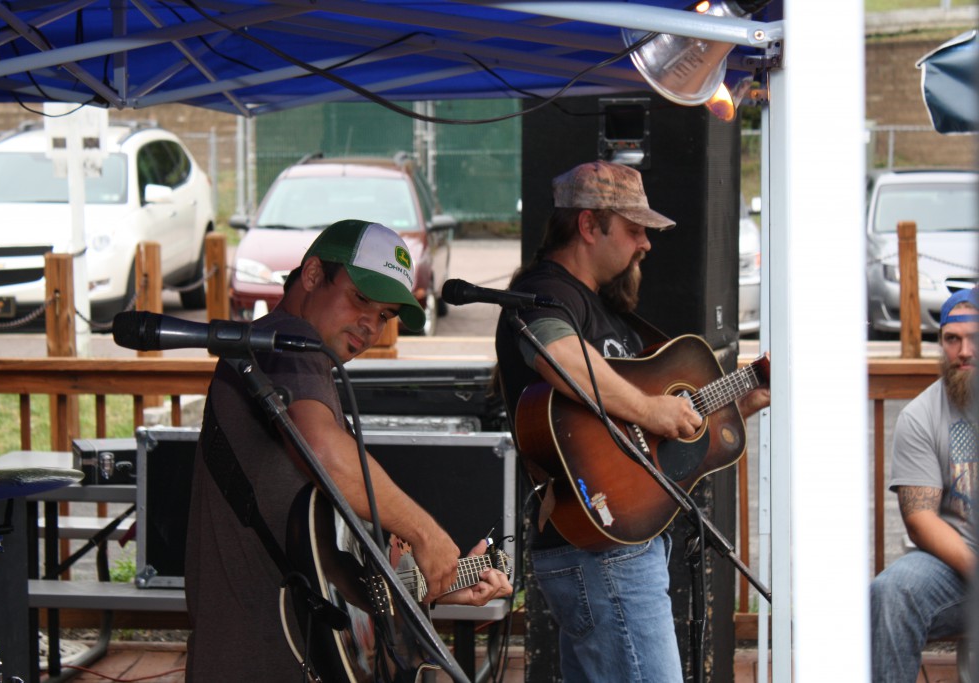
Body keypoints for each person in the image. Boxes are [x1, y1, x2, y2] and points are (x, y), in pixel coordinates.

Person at [185, 219, 511, 680]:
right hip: (260, 656)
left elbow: (327, 570)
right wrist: (426, 534)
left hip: (282, 652)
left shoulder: (298, 367)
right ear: (314, 274)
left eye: (384, 316)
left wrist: (433, 583)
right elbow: (323, 450)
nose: (370, 324)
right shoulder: (286, 343)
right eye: (361, 299)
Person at [494, 160, 770, 682]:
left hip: (615, 542)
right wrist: (649, 409)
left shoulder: (607, 314)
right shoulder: (546, 293)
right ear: (588, 224)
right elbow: (557, 357)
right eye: (634, 229)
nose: (646, 243)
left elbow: (651, 428)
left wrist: (741, 400)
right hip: (602, 548)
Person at [870, 287, 977, 683]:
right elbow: (920, 519)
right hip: (958, 561)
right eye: (952, 339)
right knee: (893, 593)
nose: (964, 351)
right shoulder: (922, 416)